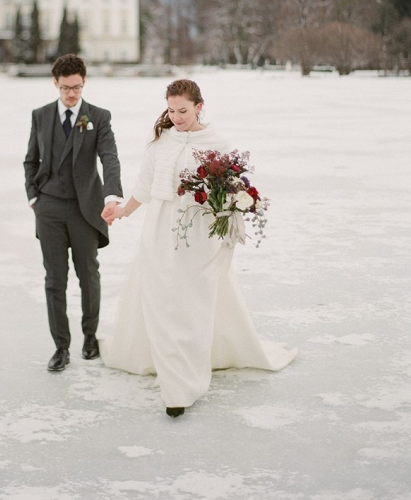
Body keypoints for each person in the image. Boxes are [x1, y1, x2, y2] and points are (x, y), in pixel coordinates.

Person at [100, 78, 297, 417]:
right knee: (160, 300)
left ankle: (186, 377)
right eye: (171, 110)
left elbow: (230, 189)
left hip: (199, 234)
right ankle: (174, 384)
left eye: (184, 111)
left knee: (191, 304)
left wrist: (239, 205)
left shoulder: (216, 142)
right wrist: (122, 212)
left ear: (199, 106)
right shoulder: (160, 140)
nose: (177, 117)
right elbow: (145, 187)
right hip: (160, 230)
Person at [24, 54, 122, 372]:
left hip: (85, 209)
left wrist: (110, 195)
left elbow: (109, 157)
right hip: (49, 207)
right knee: (55, 280)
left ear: (84, 82)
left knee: (88, 276)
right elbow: (31, 160)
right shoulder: (40, 116)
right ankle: (61, 347)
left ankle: (90, 337)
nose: (72, 94)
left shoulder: (98, 116)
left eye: (77, 87)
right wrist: (33, 198)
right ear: (55, 83)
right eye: (66, 88)